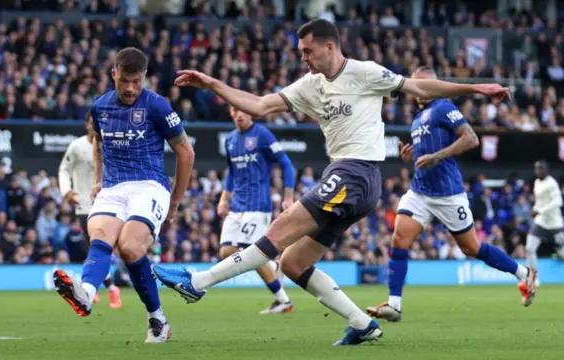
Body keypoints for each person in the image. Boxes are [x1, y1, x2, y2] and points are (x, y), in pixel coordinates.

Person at [151, 19, 509, 346]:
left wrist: (476, 88)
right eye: (300, 52)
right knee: (292, 262)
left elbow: (418, 84)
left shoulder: (365, 73)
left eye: (307, 50)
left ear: (329, 47)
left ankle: (197, 283)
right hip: (345, 178)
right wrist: (213, 83)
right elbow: (260, 105)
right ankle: (361, 323)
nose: (303, 58)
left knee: (282, 225)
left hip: (357, 173)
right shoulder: (310, 85)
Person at [365, 66, 537, 322]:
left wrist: (438, 156)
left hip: (448, 193)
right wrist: (410, 158)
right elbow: (427, 155)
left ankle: (523, 272)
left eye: (422, 84)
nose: (416, 90)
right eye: (415, 85)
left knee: (471, 248)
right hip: (420, 191)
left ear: (433, 85)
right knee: (399, 239)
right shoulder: (418, 117)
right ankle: (394, 304)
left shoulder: (444, 107)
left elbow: (471, 139)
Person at [52, 47, 195, 343]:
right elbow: (98, 143)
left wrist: (175, 200)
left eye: (136, 81)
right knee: (100, 236)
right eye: (124, 81)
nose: (130, 88)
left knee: (130, 248)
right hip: (113, 188)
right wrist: (98, 179)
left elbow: (185, 151)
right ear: (114, 74)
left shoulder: (157, 106)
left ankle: (157, 320)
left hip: (149, 185)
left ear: (143, 77)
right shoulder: (100, 106)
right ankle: (87, 294)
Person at [218, 105, 295, 314]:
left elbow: (287, 164)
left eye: (244, 110)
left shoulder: (262, 135)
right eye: (235, 110)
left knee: (251, 254)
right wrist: (224, 198)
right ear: (231, 113)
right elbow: (231, 172)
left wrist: (288, 196)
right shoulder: (230, 139)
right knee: (226, 251)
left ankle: (283, 300)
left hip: (258, 205)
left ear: (250, 112)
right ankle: (273, 267)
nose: (240, 114)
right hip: (237, 206)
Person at [58, 115, 123, 309]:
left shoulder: (111, 145)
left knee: (98, 247)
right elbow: (64, 169)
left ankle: (96, 287)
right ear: (87, 124)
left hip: (106, 203)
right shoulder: (77, 146)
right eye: (91, 122)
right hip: (84, 204)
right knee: (95, 247)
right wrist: (66, 191)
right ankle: (108, 288)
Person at [525, 160, 564, 276]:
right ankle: (532, 276)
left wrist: (540, 210)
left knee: (562, 252)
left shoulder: (551, 183)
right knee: (529, 248)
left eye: (541, 168)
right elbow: (539, 201)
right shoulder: (537, 182)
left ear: (546, 170)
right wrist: (535, 209)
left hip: (554, 224)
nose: (538, 171)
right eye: (537, 168)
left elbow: (558, 201)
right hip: (541, 222)